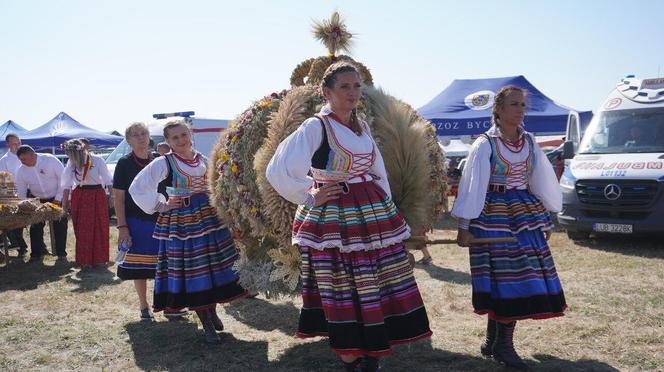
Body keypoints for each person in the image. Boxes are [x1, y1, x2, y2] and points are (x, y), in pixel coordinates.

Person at [266, 61, 431, 372]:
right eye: (344, 86)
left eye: (356, 86)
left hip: (369, 212)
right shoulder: (317, 127)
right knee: (342, 283)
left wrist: (387, 205)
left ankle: (372, 350)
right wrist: (310, 193)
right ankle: (351, 356)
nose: (353, 92)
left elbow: (376, 169)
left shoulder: (362, 126)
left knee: (377, 280)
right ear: (327, 92)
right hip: (335, 217)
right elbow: (279, 169)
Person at [452, 86, 566, 370]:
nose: (519, 110)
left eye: (522, 106)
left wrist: (546, 215)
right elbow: (472, 186)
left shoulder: (529, 142)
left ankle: (494, 342)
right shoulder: (484, 145)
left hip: (524, 215)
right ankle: (503, 345)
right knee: (503, 278)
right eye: (513, 105)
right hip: (492, 215)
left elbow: (541, 180)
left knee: (520, 277)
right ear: (499, 110)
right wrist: (464, 225)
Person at [129, 120, 247, 343]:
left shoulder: (203, 159)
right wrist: (161, 205)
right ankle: (206, 321)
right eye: (175, 138)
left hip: (210, 219)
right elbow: (138, 186)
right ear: (167, 142)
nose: (181, 140)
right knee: (194, 269)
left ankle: (212, 311)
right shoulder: (165, 162)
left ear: (190, 134)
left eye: (184, 135)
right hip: (184, 222)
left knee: (213, 266)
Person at [113, 122, 171, 320]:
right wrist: (122, 227)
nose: (141, 137)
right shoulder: (124, 163)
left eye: (143, 133)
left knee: (164, 265)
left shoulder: (160, 161)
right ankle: (143, 306)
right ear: (128, 140)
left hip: (161, 220)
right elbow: (118, 198)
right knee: (139, 267)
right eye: (136, 135)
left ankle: (168, 304)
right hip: (136, 221)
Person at [61, 139, 113, 268]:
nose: (69, 156)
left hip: (97, 194)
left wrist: (112, 196)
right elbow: (66, 186)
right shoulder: (71, 163)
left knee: (100, 226)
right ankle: (85, 261)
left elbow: (108, 181)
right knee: (82, 228)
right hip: (79, 196)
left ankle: (100, 259)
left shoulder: (97, 160)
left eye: (71, 153)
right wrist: (64, 205)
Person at [15, 145, 68, 261]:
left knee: (60, 225)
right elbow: (21, 190)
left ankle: (61, 254)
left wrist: (58, 198)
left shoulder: (50, 160)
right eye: (20, 159)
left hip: (57, 197)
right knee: (35, 226)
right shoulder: (21, 170)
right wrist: (24, 205)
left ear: (32, 154)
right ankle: (36, 254)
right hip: (37, 200)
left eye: (23, 159)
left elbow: (63, 179)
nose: (22, 162)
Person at [0, 134, 28, 256]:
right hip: (12, 194)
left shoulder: (26, 154)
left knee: (23, 221)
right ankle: (20, 245)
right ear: (8, 145)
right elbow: (4, 179)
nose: (17, 146)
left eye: (19, 143)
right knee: (14, 221)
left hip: (28, 191)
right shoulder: (4, 160)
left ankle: (21, 245)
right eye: (14, 144)